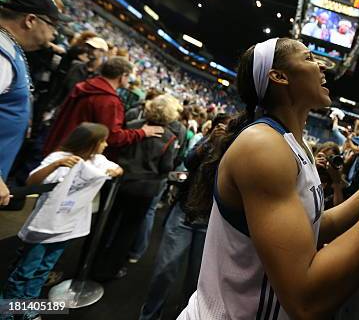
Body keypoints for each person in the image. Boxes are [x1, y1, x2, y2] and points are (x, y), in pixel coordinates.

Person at [177, 37, 359, 319]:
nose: (322, 66)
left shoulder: (294, 144)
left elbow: (317, 225)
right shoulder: (262, 146)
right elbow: (306, 300)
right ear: (278, 76)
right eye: (309, 59)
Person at [1, 123, 122, 320]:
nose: (106, 144)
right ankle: (8, 310)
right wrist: (56, 165)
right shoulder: (58, 158)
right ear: (90, 143)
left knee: (43, 270)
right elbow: (32, 182)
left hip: (69, 228)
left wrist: (116, 171)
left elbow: (117, 169)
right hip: (44, 227)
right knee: (25, 271)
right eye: (102, 141)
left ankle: (28, 309)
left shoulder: (98, 160)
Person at [138, 114, 229, 320]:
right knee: (164, 269)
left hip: (211, 221)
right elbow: (189, 162)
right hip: (185, 213)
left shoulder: (237, 151)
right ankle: (149, 314)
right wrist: (209, 143)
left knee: (197, 280)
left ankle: (186, 314)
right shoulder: (205, 142)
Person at [92, 94, 180, 281]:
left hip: (121, 183)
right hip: (144, 189)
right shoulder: (169, 138)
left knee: (108, 223)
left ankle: (94, 262)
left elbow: (118, 148)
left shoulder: (133, 125)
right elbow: (166, 168)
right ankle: (111, 270)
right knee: (128, 230)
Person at [0, 0, 64, 204]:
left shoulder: (11, 48)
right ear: (30, 20)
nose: (55, 33)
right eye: (52, 24)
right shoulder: (2, 52)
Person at [43, 56, 163, 158]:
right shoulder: (109, 101)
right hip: (74, 155)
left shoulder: (86, 85)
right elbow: (112, 137)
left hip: (57, 146)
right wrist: (142, 132)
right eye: (128, 77)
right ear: (122, 76)